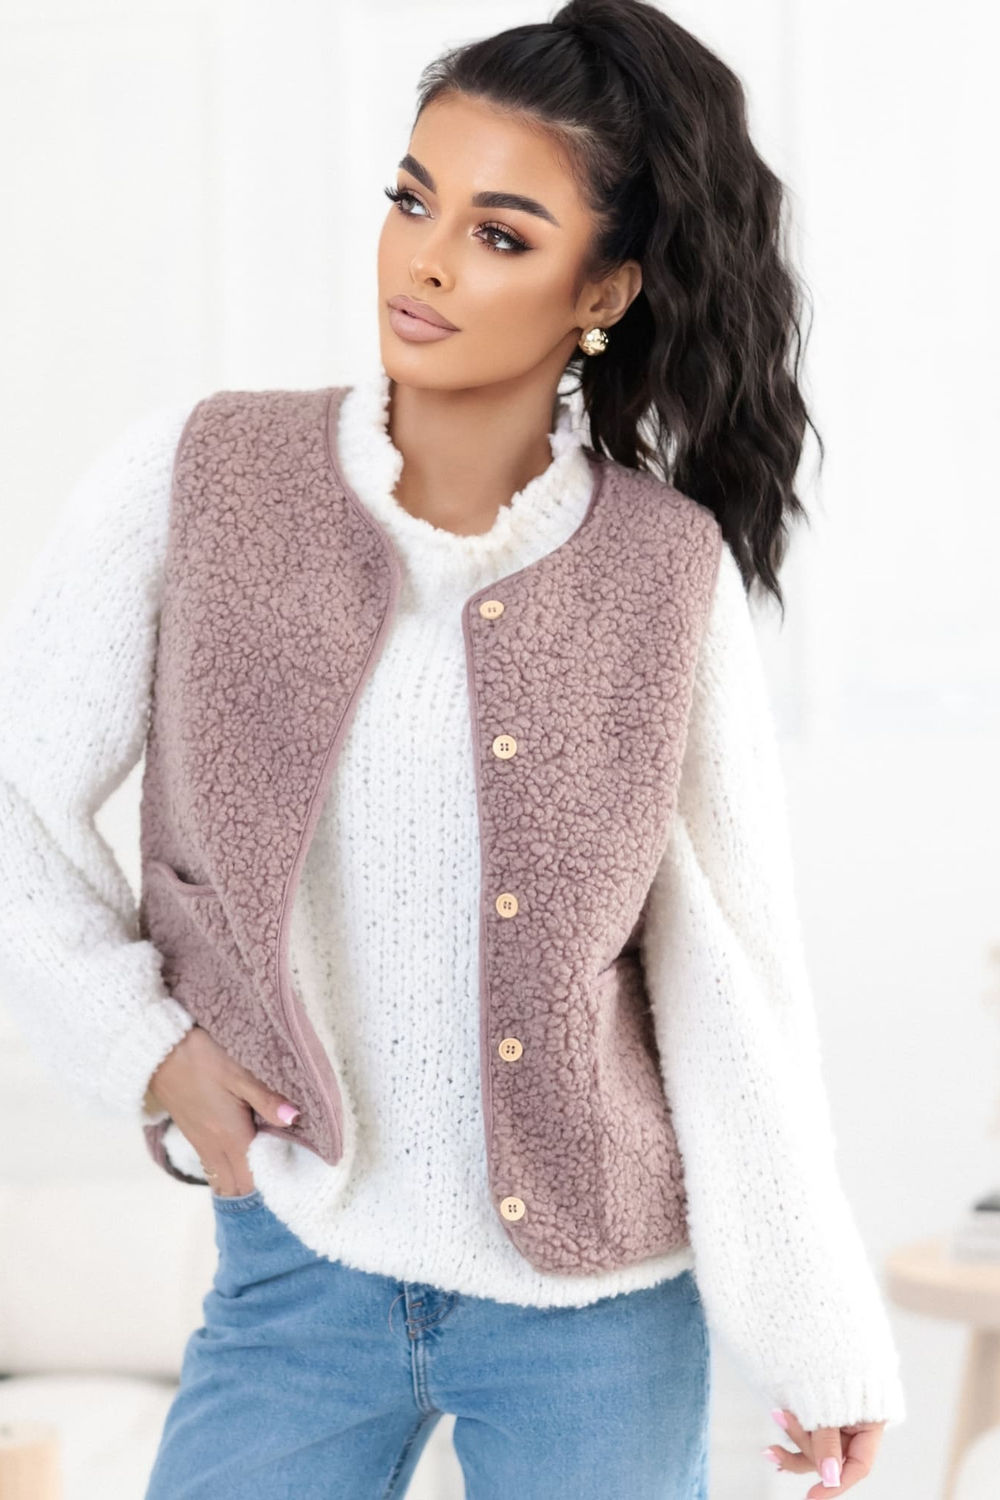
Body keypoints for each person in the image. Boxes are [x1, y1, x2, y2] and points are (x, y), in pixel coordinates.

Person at [0, 3, 906, 1497]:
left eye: (499, 234)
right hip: (298, 1265)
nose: (424, 261)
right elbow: (19, 795)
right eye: (413, 200)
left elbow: (729, 970)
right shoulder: (202, 479)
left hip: (597, 1315)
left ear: (600, 289)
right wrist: (145, 1045)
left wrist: (820, 1334)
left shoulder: (664, 574)